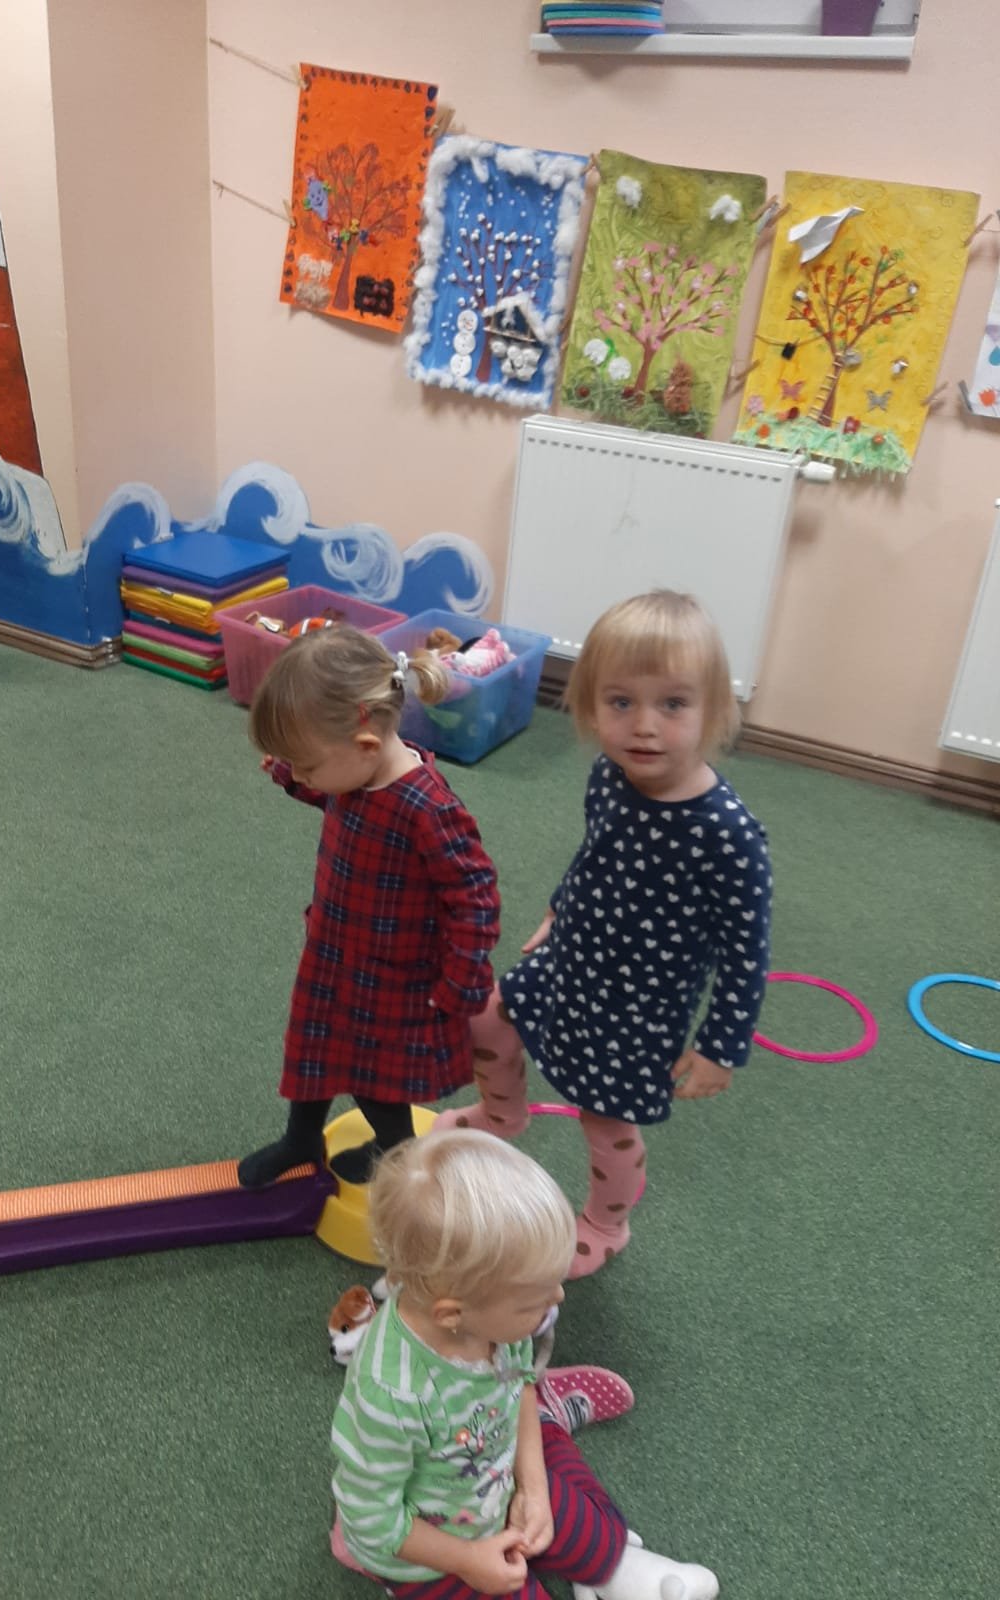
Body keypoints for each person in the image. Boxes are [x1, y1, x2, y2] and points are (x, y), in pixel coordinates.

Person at [436, 591, 772, 1278]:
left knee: (604, 1121)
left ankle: (605, 1222)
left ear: (713, 711)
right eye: (621, 702)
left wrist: (721, 1047)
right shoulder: (610, 776)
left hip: (638, 1009)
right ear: (591, 708)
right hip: (572, 961)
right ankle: (503, 1115)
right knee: (489, 1019)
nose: (643, 726)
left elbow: (747, 953)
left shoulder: (729, 835)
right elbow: (594, 856)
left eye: (672, 704)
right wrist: (557, 911)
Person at [331, 1129, 719, 1599]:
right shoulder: (392, 1395)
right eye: (535, 1297)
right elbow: (372, 1519)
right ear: (452, 1314)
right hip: (431, 1554)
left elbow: (519, 1390)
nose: (558, 1298)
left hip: (492, 1471)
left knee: (584, 1522)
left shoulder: (499, 1326)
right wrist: (467, 1560)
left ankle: (614, 1557)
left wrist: (533, 1485)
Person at [237, 626, 501, 1189]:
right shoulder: (355, 774)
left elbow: (475, 897)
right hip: (335, 950)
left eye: (306, 764)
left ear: (365, 745)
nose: (300, 773)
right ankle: (301, 1139)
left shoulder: (428, 808)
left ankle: (397, 1151)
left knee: (375, 1077)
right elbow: (333, 791)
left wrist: (462, 980)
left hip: (392, 976)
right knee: (312, 1049)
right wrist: (294, 777)